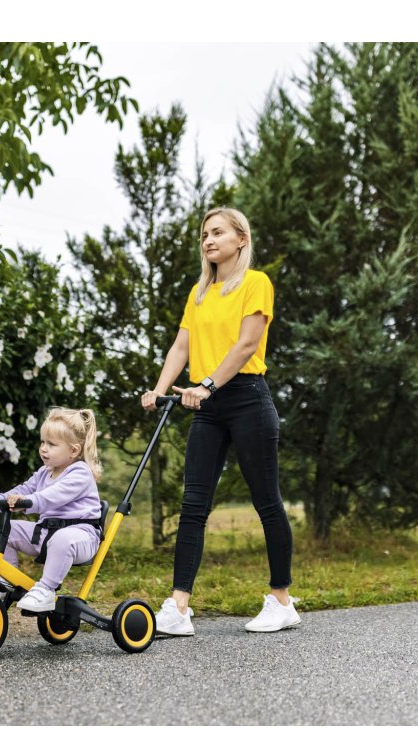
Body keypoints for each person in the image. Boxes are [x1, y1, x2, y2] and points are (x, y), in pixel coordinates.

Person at [141, 206, 299, 635]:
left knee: (267, 502)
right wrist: (159, 389)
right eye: (204, 235)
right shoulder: (200, 293)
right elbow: (181, 347)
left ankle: (281, 601)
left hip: (247, 399)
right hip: (206, 407)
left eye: (217, 233)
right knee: (193, 504)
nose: (208, 240)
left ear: (240, 239)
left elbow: (247, 344)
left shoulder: (255, 283)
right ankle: (179, 608)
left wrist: (207, 384)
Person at [0, 407, 103, 612]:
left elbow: (51, 497)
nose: (43, 448)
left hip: (80, 536)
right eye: (42, 442)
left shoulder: (80, 473)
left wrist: (26, 501)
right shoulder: (44, 472)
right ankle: (7, 582)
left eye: (52, 444)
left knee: (62, 539)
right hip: (45, 532)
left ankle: (46, 589)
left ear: (74, 451)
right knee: (6, 529)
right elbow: (22, 490)